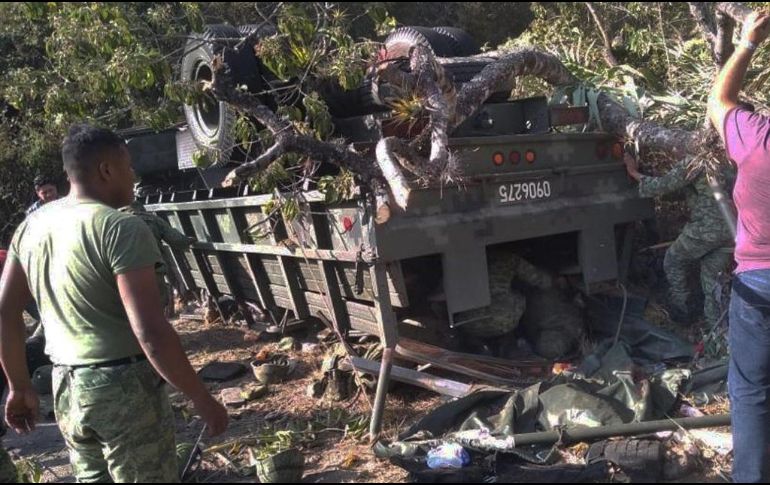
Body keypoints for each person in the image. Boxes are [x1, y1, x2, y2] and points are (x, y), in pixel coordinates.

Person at [0, 124, 228, 482]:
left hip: (66, 386)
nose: (134, 174)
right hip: (122, 387)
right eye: (128, 165)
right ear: (106, 169)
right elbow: (150, 330)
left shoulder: (33, 225)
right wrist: (200, 397)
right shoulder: (120, 228)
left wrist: (19, 385)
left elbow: (5, 310)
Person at [708, 9, 770, 483]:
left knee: (750, 391)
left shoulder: (755, 140)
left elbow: (720, 99)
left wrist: (747, 42)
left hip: (757, 284)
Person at [624, 153, 735, 325]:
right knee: (713, 280)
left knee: (673, 260)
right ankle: (717, 330)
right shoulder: (727, 160)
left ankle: (682, 309)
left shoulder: (695, 161)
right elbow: (682, 191)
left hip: (705, 230)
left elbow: (661, 187)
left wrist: (633, 172)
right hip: (731, 229)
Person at [119, 199, 195, 314]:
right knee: (156, 305)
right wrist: (192, 239)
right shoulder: (153, 219)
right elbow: (177, 241)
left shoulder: (113, 222)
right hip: (153, 269)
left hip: (124, 271)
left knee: (130, 306)